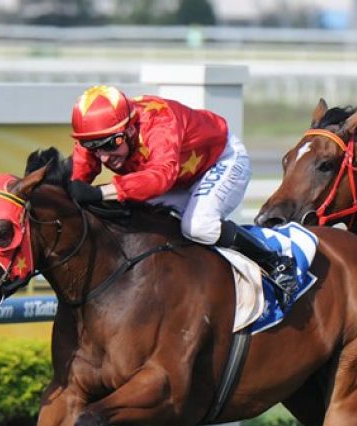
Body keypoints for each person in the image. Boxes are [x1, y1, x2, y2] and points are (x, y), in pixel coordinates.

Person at [67, 84, 297, 307]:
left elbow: (161, 176)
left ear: (129, 129)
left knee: (198, 226)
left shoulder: (159, 123)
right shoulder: (98, 133)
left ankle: (274, 261)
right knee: (131, 215)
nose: (104, 157)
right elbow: (75, 182)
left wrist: (100, 191)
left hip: (220, 161)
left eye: (111, 144)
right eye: (92, 147)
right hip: (179, 177)